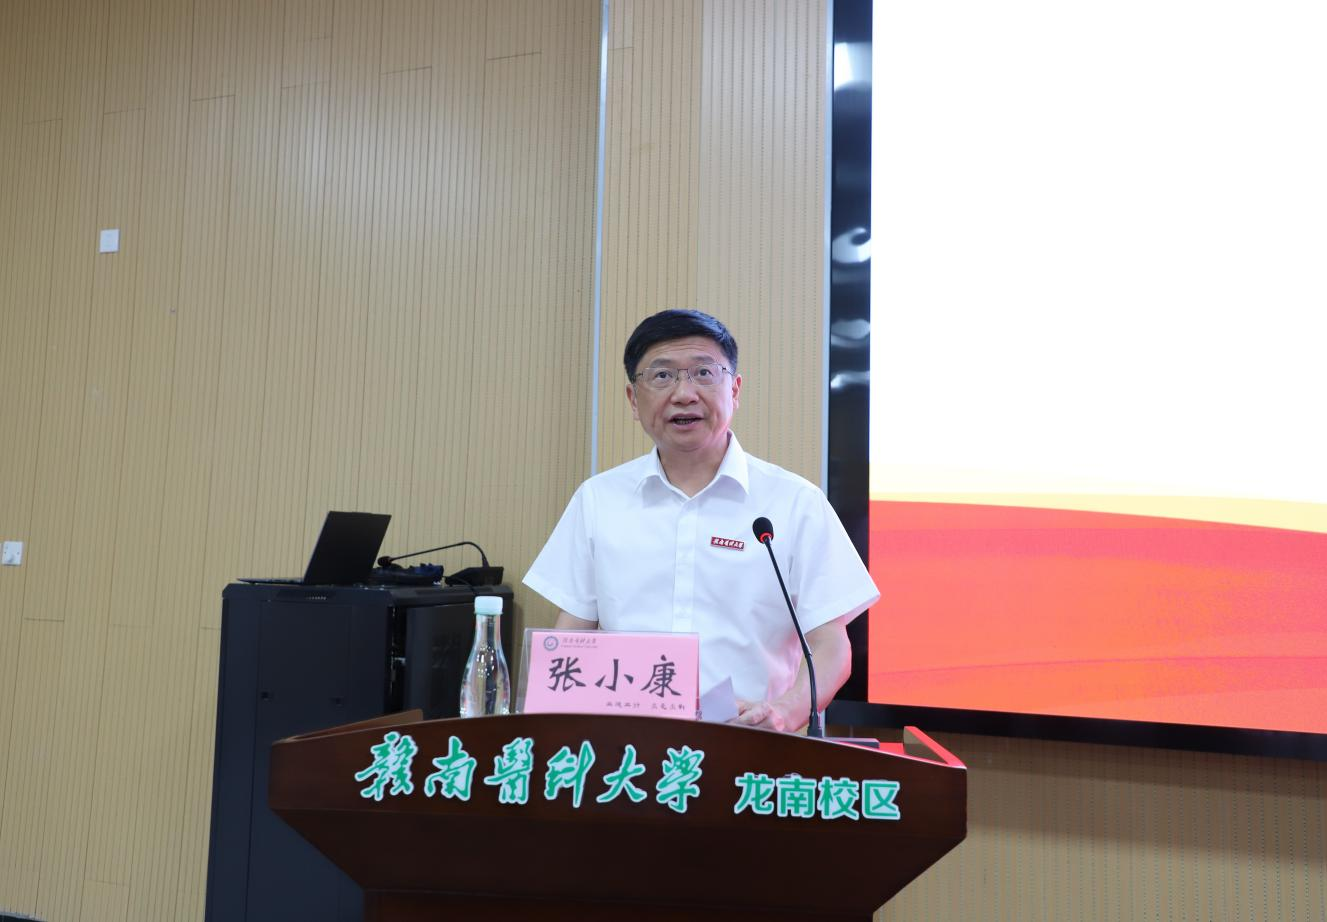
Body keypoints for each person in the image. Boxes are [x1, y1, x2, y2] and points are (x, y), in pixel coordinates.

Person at [523, 310, 879, 732]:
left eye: (704, 373)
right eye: (662, 376)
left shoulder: (795, 503)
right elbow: (571, 639)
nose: (684, 394)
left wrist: (784, 712)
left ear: (735, 390)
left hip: (750, 747)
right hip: (625, 751)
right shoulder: (598, 500)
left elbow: (831, 646)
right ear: (633, 400)